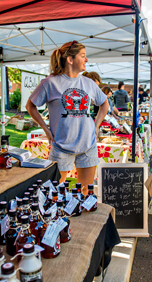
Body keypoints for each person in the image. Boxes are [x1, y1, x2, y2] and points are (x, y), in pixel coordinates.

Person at [26, 41, 109, 195]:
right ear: (70, 59)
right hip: (61, 145)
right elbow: (30, 106)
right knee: (54, 192)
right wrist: (45, 129)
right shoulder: (49, 83)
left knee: (85, 192)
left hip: (87, 145)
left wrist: (96, 126)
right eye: (83, 56)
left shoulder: (88, 83)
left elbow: (104, 103)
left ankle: (82, 218)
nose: (87, 60)